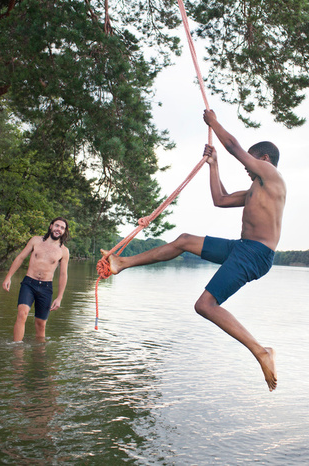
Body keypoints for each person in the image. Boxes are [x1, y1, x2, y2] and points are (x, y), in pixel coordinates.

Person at [101, 109, 286, 391]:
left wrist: (215, 123)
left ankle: (261, 351)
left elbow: (235, 148)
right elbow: (220, 199)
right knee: (184, 240)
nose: (246, 168)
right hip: (242, 248)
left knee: (205, 305)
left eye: (251, 162)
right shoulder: (253, 190)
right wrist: (213, 164)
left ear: (264, 159)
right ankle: (122, 263)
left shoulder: (271, 176)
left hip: (256, 254)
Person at [3, 217, 70, 342]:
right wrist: (8, 277)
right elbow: (21, 257)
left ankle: (39, 355)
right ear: (51, 226)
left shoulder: (64, 251)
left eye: (62, 228)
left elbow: (63, 275)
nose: (58, 229)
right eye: (57, 226)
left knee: (41, 324)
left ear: (64, 232)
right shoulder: (36, 240)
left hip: (46, 288)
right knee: (22, 314)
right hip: (29, 283)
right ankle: (17, 349)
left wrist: (59, 297)